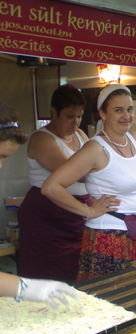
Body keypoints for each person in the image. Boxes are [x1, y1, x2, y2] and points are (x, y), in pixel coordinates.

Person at [42, 84, 136, 282]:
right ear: (103, 114)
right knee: (116, 301)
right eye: (118, 110)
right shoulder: (95, 149)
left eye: (130, 109)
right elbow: (51, 187)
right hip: (112, 237)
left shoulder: (135, 139)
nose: (126, 116)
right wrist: (88, 211)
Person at [0, 103, 76, 307]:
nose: (1, 165)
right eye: (1, 156)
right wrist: (27, 288)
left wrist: (26, 288)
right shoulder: (43, 139)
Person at [18, 84, 90, 284]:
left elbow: (94, 163)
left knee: (77, 273)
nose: (75, 122)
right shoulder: (42, 139)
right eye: (69, 116)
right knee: (46, 275)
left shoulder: (81, 135)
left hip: (76, 215)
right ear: (53, 113)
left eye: (79, 116)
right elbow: (78, 173)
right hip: (47, 215)